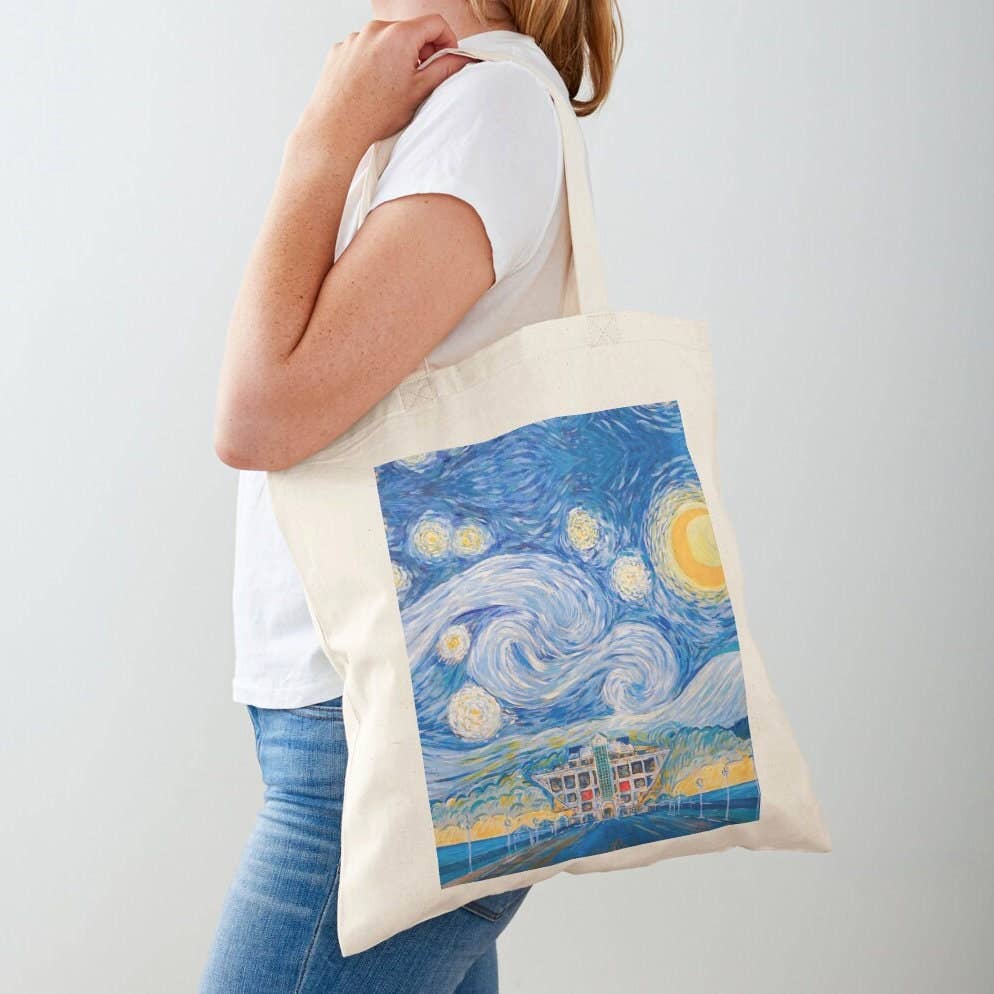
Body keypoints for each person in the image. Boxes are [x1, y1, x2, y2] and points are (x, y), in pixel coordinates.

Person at [202, 2, 621, 991]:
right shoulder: (444, 105)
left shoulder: (489, 107)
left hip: (386, 749)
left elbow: (259, 414)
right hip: (364, 724)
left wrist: (321, 140)